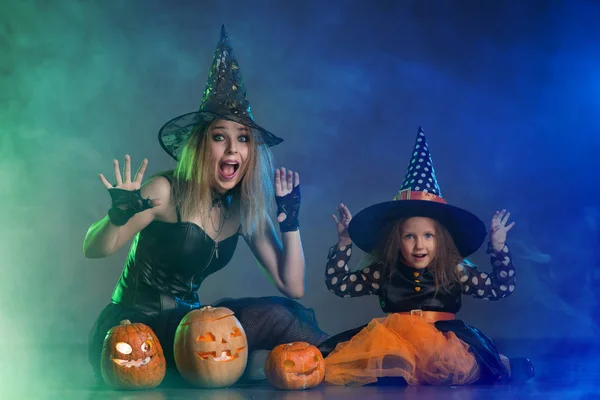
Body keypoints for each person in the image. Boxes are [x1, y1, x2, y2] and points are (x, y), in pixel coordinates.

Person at [84, 25, 327, 384]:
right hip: (136, 334)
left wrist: (290, 222)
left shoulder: (241, 208)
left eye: (242, 138)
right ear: (201, 146)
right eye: (220, 137)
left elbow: (292, 285)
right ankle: (257, 368)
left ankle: (339, 359)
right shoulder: (166, 191)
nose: (233, 149)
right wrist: (118, 217)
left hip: (188, 327)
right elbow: (94, 249)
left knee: (276, 317)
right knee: (239, 355)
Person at [318, 127, 534, 386]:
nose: (419, 245)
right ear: (396, 240)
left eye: (428, 236)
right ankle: (398, 374)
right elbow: (340, 286)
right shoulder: (385, 271)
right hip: (394, 338)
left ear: (440, 239)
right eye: (409, 236)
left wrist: (499, 249)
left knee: (462, 365)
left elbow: (500, 288)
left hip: (444, 339)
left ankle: (502, 363)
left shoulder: (454, 269)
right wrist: (344, 243)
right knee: (385, 361)